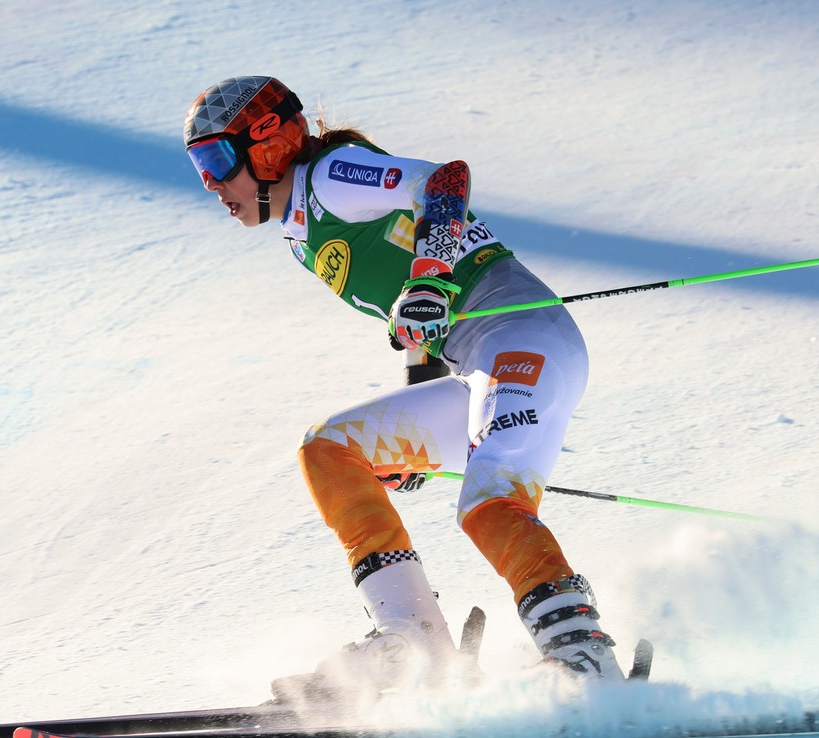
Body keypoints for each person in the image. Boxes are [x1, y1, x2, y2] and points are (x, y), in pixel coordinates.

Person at [183, 76, 624, 695]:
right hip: (477, 360)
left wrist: (432, 281)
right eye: (199, 165)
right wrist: (421, 376)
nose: (209, 183)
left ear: (268, 145)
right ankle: (414, 645)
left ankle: (581, 656)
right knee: (331, 451)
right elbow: (421, 318)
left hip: (523, 336)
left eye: (215, 160)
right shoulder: (299, 226)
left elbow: (444, 181)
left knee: (490, 505)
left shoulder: (332, 175)